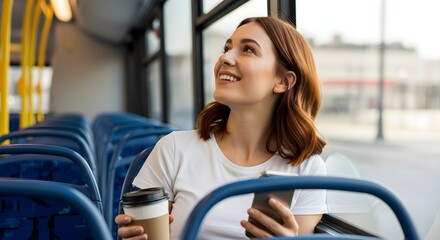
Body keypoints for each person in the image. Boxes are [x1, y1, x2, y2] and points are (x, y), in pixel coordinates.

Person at [115, 15, 327, 239]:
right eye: (227, 48)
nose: (225, 57)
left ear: (283, 81)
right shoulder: (174, 149)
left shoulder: (307, 170)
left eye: (248, 50)